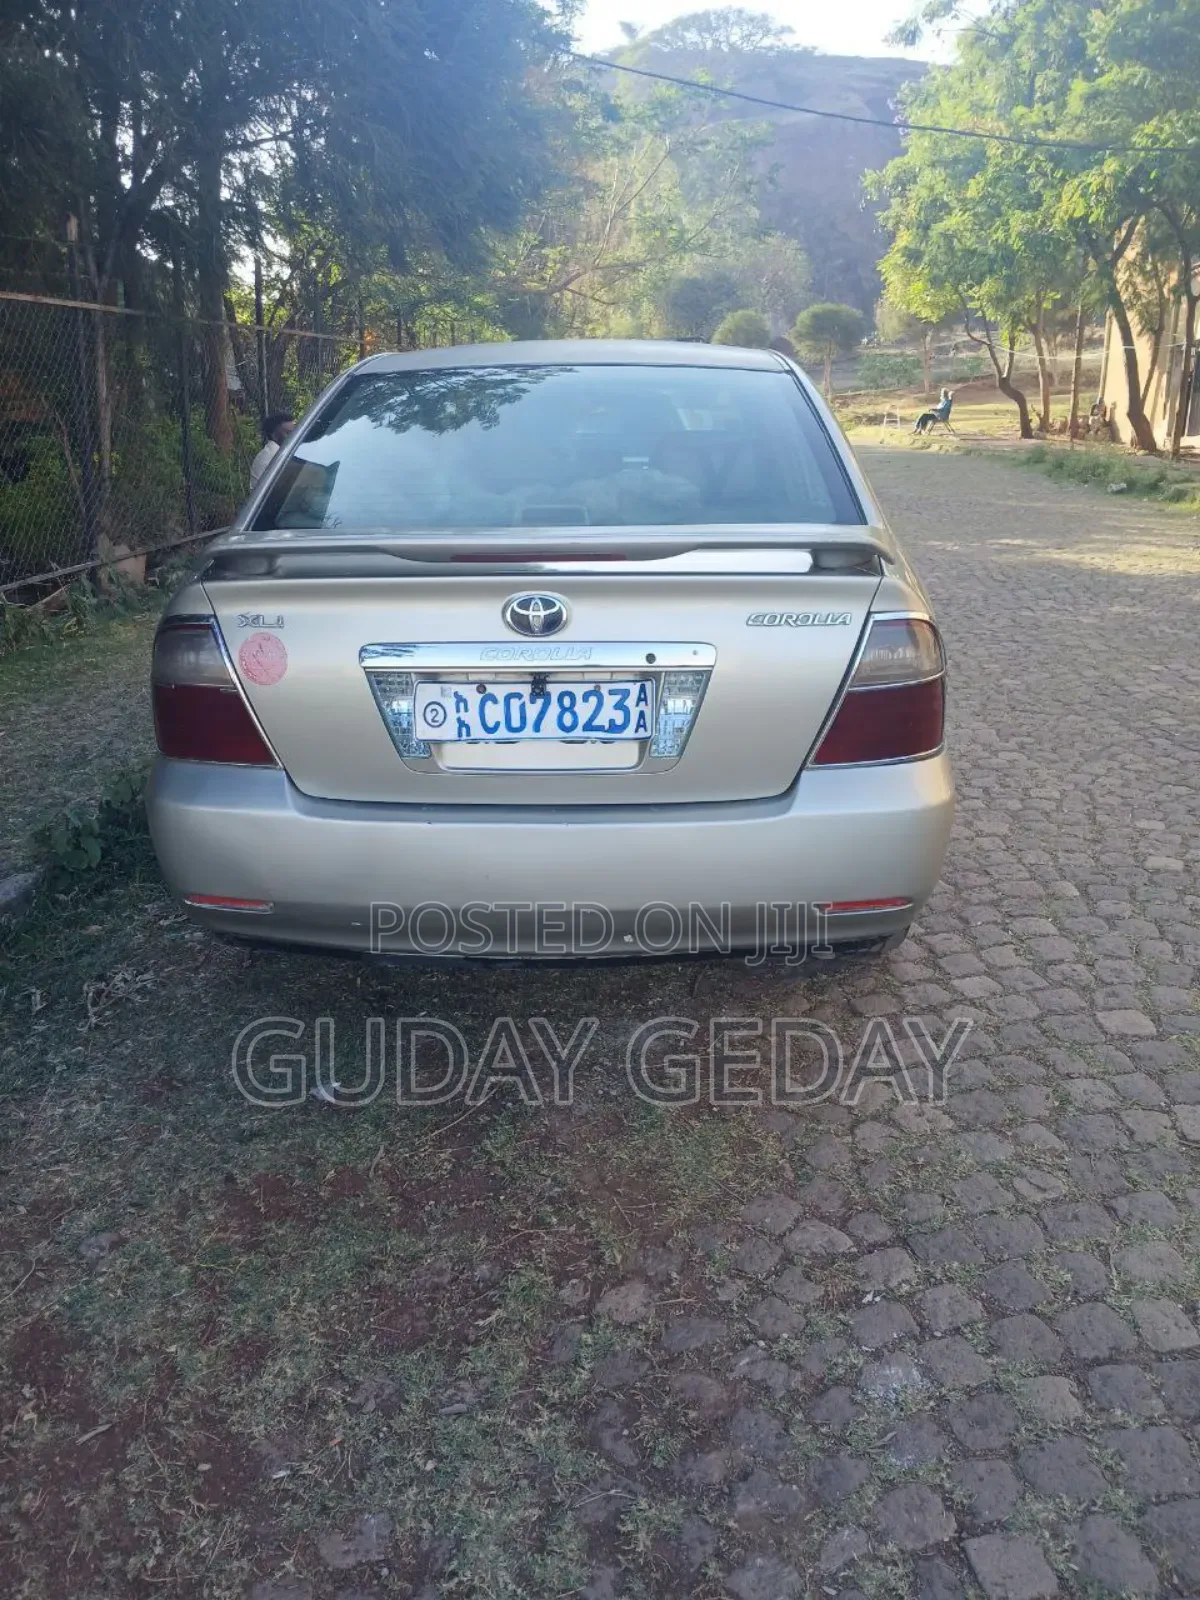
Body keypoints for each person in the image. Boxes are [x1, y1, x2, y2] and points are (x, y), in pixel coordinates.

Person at [250, 411, 295, 488]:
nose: (293, 436)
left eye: (293, 432)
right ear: (274, 435)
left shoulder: (281, 453)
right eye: (288, 433)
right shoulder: (269, 456)